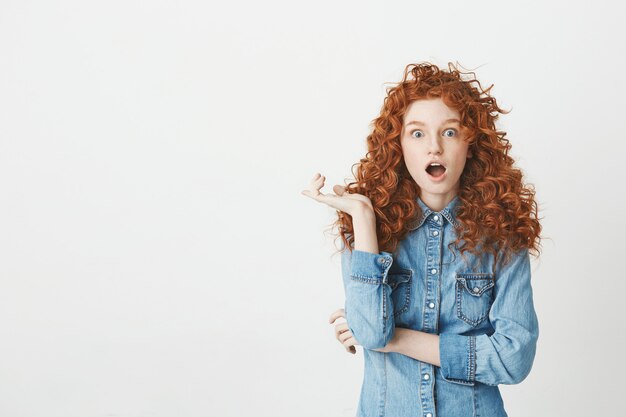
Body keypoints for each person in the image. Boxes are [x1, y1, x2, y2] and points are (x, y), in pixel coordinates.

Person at [301, 62, 542, 417]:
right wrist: (365, 220)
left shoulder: (503, 237)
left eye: (449, 132)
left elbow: (513, 358)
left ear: (470, 144)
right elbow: (369, 334)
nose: (434, 148)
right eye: (417, 133)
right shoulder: (366, 230)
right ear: (398, 146)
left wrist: (395, 339)